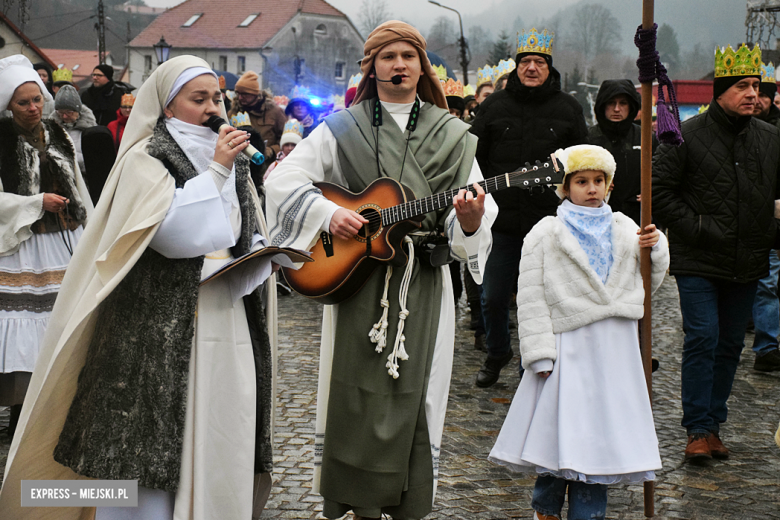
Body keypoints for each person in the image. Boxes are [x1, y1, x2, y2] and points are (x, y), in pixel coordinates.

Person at [0, 55, 277, 520]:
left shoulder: (232, 159)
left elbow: (243, 223)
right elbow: (167, 234)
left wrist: (259, 250)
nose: (213, 108)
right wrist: (215, 173)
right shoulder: (146, 156)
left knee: (216, 425)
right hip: (152, 329)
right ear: (168, 107)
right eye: (199, 98)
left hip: (221, 317)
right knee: (141, 449)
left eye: (217, 98)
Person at [266, 20, 497, 519]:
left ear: (422, 67)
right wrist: (331, 214)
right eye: (387, 56)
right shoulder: (341, 126)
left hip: (424, 278)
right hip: (355, 277)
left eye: (408, 56)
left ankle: (408, 500)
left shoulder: (455, 135)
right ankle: (357, 500)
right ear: (371, 67)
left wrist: (472, 223)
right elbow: (283, 180)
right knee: (352, 395)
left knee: (418, 395)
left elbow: (476, 216)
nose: (399, 65)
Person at [489, 144, 668, 520]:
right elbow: (532, 295)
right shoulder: (547, 231)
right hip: (567, 344)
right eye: (581, 181)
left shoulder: (625, 227)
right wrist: (538, 352)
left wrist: (656, 247)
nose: (591, 188)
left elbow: (648, 280)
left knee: (599, 437)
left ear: (609, 185)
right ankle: (547, 507)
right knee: (559, 432)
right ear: (565, 187)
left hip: (613, 347)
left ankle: (589, 514)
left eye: (598, 181)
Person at [653, 43, 780, 462]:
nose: (752, 94)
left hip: (747, 259)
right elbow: (660, 193)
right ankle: (697, 429)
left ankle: (715, 423)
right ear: (721, 91)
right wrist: (701, 227)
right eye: (742, 85)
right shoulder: (685, 135)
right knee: (703, 338)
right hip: (699, 259)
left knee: (729, 345)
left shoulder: (771, 138)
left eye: (756, 86)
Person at [470, 27, 588, 388]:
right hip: (500, 222)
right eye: (526, 62)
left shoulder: (569, 108)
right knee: (492, 297)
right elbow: (473, 157)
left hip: (548, 224)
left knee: (537, 302)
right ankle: (497, 352)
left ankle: (529, 362)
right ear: (517, 67)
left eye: (539, 62)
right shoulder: (494, 106)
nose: (532, 68)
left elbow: (581, 163)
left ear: (549, 68)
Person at [0, 55, 92, 438]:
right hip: (22, 243)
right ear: (8, 106)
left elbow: (77, 183)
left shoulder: (58, 133)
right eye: (23, 103)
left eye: (37, 99)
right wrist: (35, 203)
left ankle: (47, 408)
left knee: (57, 323)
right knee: (23, 325)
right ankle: (18, 409)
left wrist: (91, 225)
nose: (33, 108)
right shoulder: (1, 138)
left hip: (61, 239)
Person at [750, 62, 780, 372]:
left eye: (761, 93)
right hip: (737, 218)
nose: (756, 98)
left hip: (770, 217)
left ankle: (767, 345)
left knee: (768, 283)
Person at [588, 79, 646, 226]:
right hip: (595, 218)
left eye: (623, 103)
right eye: (611, 103)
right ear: (602, 105)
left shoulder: (646, 138)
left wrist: (653, 191)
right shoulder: (588, 139)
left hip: (637, 220)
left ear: (632, 106)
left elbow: (662, 172)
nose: (616, 109)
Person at [228, 71, 286, 164]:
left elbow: (286, 139)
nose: (240, 97)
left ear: (255, 94)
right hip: (241, 163)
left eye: (245, 94)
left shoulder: (274, 111)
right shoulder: (233, 113)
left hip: (267, 165)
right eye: (238, 93)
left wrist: (271, 150)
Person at [52, 85, 98, 174]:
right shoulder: (53, 129)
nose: (64, 116)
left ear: (78, 111)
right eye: (60, 112)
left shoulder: (90, 130)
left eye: (69, 112)